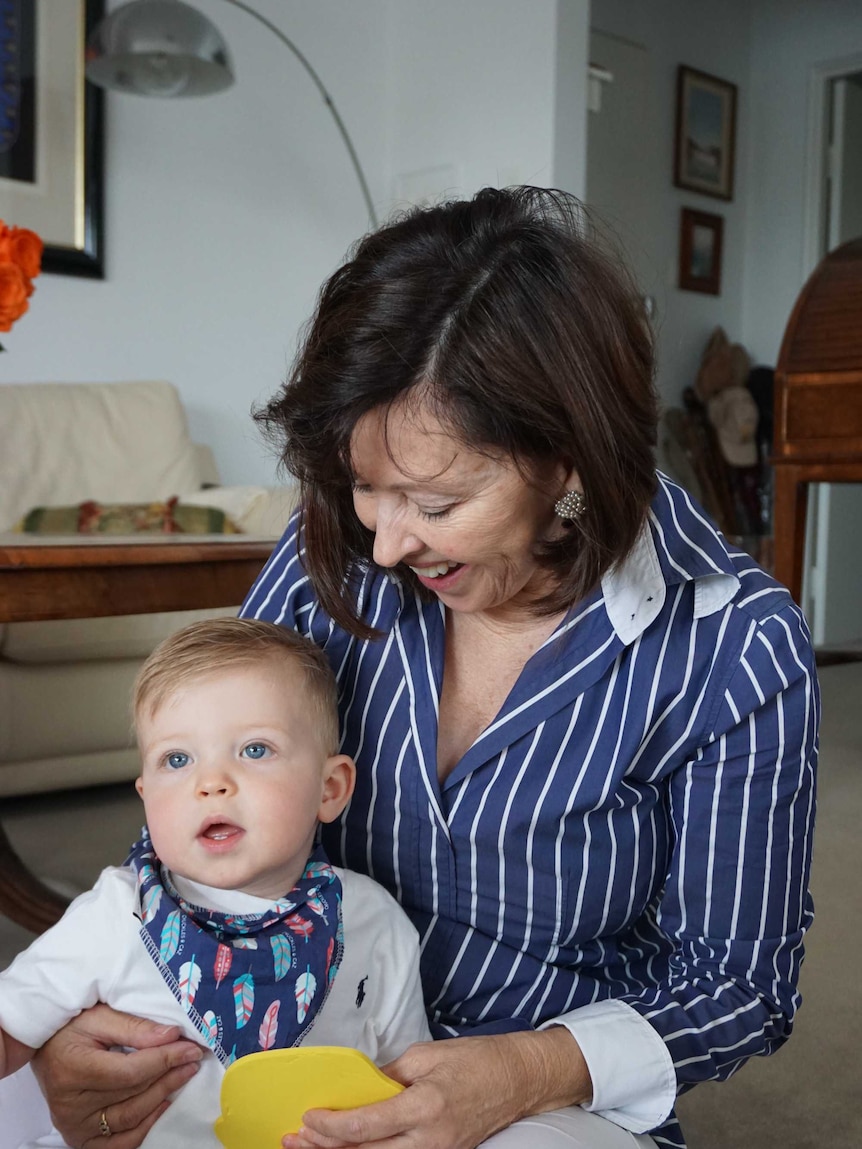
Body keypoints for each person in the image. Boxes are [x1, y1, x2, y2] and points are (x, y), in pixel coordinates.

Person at [29, 187, 818, 1149]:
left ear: (567, 464)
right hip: (267, 1049)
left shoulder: (733, 644)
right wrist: (82, 1028)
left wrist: (526, 1071)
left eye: (435, 503)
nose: (390, 544)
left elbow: (736, 985)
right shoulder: (337, 548)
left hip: (537, 1100)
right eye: (367, 486)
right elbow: (204, 779)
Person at [0, 618, 430, 1147]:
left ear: (330, 788)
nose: (211, 783)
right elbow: (10, 1025)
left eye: (254, 749)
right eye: (176, 760)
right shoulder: (118, 911)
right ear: (145, 796)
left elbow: (405, 1078)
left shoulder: (373, 922)